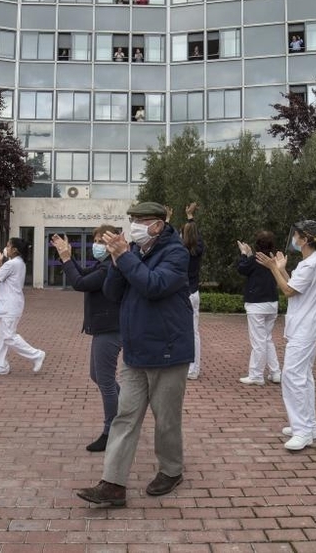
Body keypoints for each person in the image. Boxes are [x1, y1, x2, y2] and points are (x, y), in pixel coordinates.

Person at [75, 201, 193, 508]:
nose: (135, 226)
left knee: (166, 418)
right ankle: (113, 483)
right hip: (136, 350)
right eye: (133, 221)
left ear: (157, 225)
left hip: (168, 350)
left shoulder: (176, 253)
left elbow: (153, 285)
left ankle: (171, 470)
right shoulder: (136, 253)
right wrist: (116, 261)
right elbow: (114, 294)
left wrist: (125, 257)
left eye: (141, 221)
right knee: (125, 417)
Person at [255, 221, 316, 451]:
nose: (294, 240)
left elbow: (287, 291)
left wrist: (273, 268)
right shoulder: (310, 263)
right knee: (303, 377)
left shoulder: (310, 265)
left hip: (305, 328)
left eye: (297, 236)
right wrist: (282, 268)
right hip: (304, 326)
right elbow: (294, 286)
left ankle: (303, 431)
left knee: (293, 377)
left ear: (305, 239)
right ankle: (308, 425)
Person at [50, 229, 122, 452]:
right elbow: (82, 276)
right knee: (97, 376)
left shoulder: (110, 267)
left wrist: (64, 258)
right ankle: (125, 414)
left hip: (110, 329)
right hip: (103, 328)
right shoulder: (103, 265)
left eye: (101, 241)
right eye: (95, 240)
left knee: (106, 381)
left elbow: (79, 283)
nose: (97, 245)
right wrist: (69, 257)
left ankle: (112, 430)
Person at [0, 238, 46, 376]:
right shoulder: (17, 263)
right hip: (9, 304)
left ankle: (36, 355)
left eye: (8, 246)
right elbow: (2, 276)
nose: (5, 248)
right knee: (1, 336)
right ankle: (1, 365)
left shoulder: (12, 264)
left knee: (8, 336)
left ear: (15, 250)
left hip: (10, 305)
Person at [236, 231, 282, 386]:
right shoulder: (274, 259)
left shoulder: (255, 259)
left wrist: (244, 253)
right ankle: (275, 373)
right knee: (267, 339)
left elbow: (241, 268)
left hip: (257, 305)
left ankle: (256, 375)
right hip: (272, 303)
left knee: (258, 342)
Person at [180, 203, 204, 380]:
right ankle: (193, 369)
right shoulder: (198, 250)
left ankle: (187, 367)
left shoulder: (179, 252)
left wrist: (165, 220)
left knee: (181, 330)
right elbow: (197, 236)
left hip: (182, 294)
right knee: (194, 331)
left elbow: (167, 237)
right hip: (194, 293)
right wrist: (190, 217)